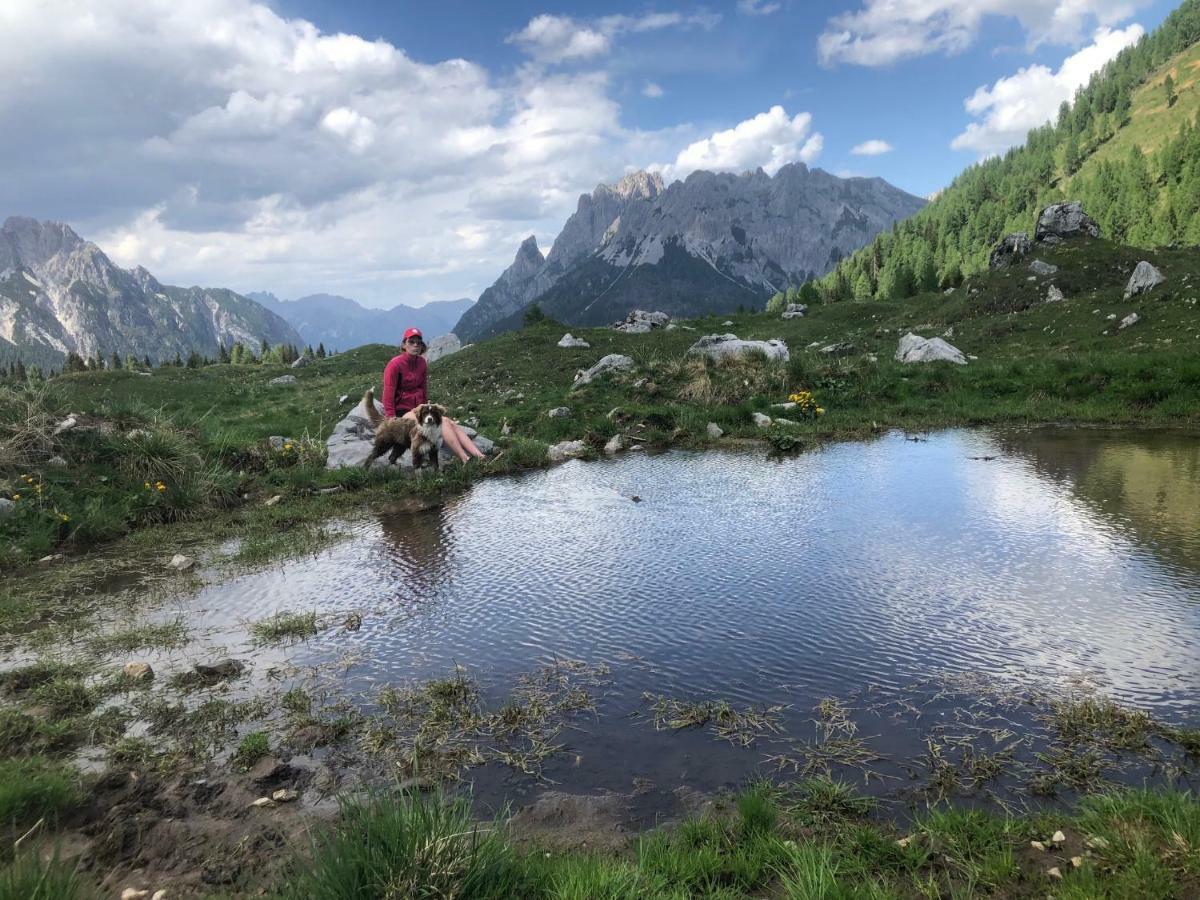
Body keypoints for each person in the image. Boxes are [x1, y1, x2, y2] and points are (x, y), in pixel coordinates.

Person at [380, 327, 485, 464]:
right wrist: (391, 420)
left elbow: (423, 388)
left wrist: (427, 408)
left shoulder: (422, 363)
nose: (415, 345)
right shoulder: (394, 365)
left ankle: (480, 456)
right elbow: (388, 395)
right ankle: (465, 459)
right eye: (411, 342)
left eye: (418, 342)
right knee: (442, 424)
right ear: (404, 345)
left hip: (419, 409)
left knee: (449, 422)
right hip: (402, 412)